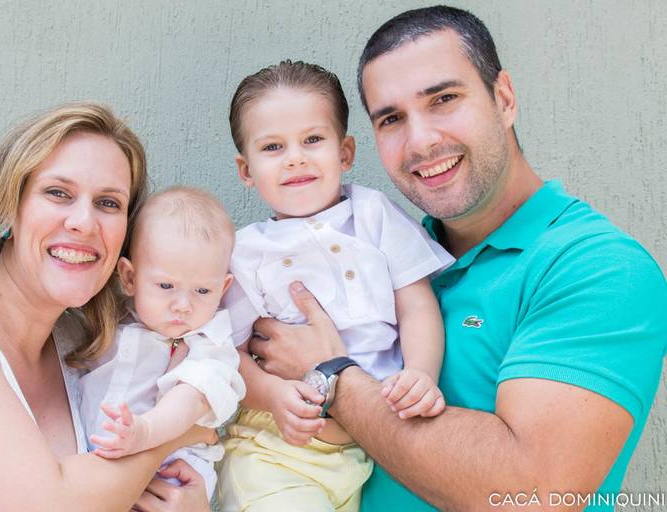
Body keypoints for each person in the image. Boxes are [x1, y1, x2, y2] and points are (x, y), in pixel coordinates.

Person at [246, 6, 667, 511]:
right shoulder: (384, 258)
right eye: (392, 119)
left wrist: (332, 374)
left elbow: (535, 495)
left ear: (504, 98)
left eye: (443, 99)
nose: (421, 140)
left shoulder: (599, 269)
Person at [0, 102, 212, 512]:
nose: (84, 222)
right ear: (10, 208)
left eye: (108, 203)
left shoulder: (88, 350)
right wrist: (172, 434)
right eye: (58, 193)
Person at [217, 60, 453, 511]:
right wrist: (274, 395)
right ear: (246, 170)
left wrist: (422, 374)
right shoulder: (245, 252)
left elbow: (416, 305)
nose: (295, 158)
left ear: (344, 152)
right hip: (276, 451)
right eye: (273, 147)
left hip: (366, 449)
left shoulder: (374, 215)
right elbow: (230, 354)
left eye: (313, 139)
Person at [79, 186, 245, 501]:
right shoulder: (109, 322)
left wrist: (144, 432)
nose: (183, 305)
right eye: (166, 286)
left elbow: (190, 400)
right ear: (129, 278)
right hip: (94, 472)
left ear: (223, 288)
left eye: (202, 291)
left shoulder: (209, 345)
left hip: (172, 477)